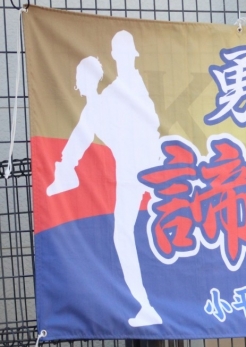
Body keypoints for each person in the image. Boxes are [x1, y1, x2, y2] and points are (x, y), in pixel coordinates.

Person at [47, 31, 163, 327]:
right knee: (123, 235)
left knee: (160, 230)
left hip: (153, 169)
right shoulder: (109, 97)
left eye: (127, 52)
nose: (124, 57)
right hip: (132, 173)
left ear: (132, 55)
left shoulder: (126, 88)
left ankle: (154, 304)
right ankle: (146, 305)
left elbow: (151, 125)